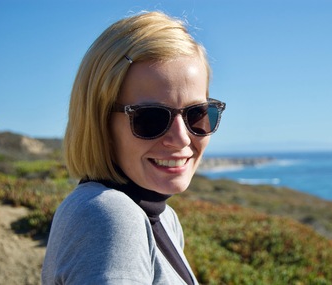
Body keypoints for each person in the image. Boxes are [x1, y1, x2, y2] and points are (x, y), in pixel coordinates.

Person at [42, 11, 225, 284]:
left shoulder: (163, 219)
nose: (182, 138)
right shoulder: (110, 215)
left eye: (197, 113)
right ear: (100, 121)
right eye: (151, 118)